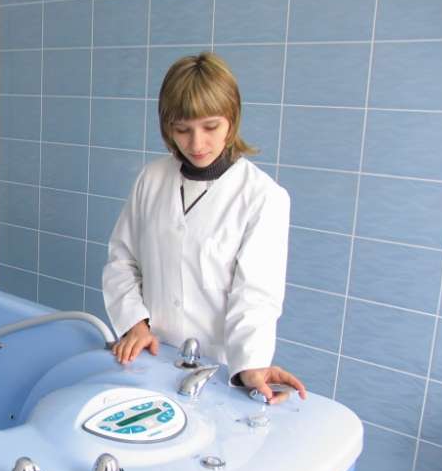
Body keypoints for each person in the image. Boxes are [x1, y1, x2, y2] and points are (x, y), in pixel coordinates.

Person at [102, 52, 306, 405]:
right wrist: (135, 323)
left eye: (210, 127)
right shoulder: (152, 178)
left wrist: (251, 366)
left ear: (232, 118)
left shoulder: (263, 197)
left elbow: (256, 296)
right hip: (149, 357)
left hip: (215, 371)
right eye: (182, 129)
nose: (196, 144)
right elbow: (122, 260)